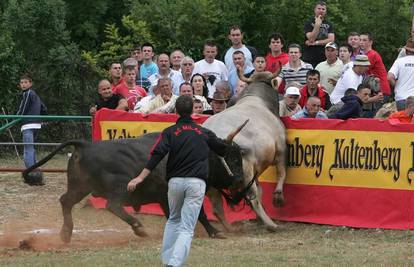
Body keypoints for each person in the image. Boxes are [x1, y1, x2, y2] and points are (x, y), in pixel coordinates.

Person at [127, 95, 229, 267]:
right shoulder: (204, 132)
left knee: (173, 219)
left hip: (175, 183)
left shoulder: (169, 132)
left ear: (176, 112)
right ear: (193, 111)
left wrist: (140, 177)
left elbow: (156, 155)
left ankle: (168, 260)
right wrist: (225, 142)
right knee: (187, 228)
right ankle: (174, 264)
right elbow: (222, 150)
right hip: (196, 183)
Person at [16, 74, 47, 176]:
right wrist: (42, 119)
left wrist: (16, 118)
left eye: (26, 82)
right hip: (36, 125)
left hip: (28, 124)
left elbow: (23, 109)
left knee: (28, 150)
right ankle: (36, 172)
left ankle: (32, 174)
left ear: (30, 83)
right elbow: (44, 108)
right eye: (22, 82)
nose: (23, 84)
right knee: (31, 149)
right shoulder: (35, 95)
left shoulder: (28, 93)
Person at [303, 1, 335, 68]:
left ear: (326, 11)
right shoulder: (308, 23)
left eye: (323, 9)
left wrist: (316, 42)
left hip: (325, 57)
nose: (321, 11)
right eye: (319, 8)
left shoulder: (329, 24)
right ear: (315, 10)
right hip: (310, 57)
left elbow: (331, 40)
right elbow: (311, 38)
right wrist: (317, 25)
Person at [360, 32, 391, 100]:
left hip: (380, 90)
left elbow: (360, 70)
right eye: (360, 40)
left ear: (370, 42)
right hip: (376, 89)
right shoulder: (367, 55)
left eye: (364, 40)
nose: (361, 42)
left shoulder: (372, 54)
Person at [388, 39, 414, 111]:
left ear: (405, 50)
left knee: (403, 121)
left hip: (402, 98)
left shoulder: (399, 61)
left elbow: (389, 77)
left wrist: (396, 85)